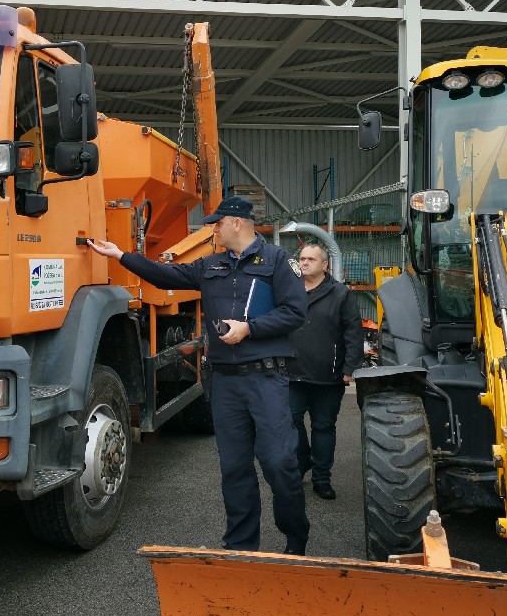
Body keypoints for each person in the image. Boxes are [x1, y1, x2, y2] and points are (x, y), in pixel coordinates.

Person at [87, 196, 311, 554]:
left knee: (279, 463)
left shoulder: (278, 262)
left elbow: (295, 313)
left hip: (266, 379)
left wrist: (249, 329)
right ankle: (240, 547)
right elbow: (167, 275)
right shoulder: (211, 266)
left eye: (217, 223)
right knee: (235, 468)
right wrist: (121, 256)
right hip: (224, 382)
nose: (213, 229)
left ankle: (296, 540)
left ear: (237, 223)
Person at [288, 242, 364, 500]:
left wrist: (350, 366)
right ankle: (301, 462)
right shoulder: (289, 291)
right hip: (292, 373)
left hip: (328, 376)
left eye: (311, 259)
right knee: (289, 421)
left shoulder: (340, 294)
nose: (305, 262)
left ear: (324, 265)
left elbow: (353, 332)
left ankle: (322, 477)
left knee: (323, 427)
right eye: (302, 258)